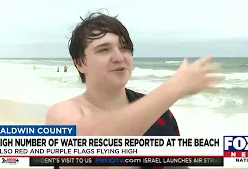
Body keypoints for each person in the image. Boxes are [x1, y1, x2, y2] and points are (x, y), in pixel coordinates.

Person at [45, 11, 224, 169]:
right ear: (80, 63)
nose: (119, 57)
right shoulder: (62, 115)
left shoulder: (162, 116)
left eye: (124, 48)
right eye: (104, 50)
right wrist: (174, 87)